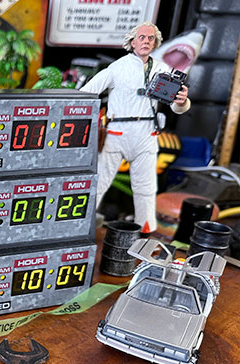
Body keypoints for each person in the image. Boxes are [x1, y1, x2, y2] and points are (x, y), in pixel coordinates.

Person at [81, 21, 191, 234]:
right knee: (99, 182)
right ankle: (80, 223)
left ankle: (145, 230)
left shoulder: (163, 69)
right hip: (117, 132)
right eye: (142, 37)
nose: (146, 41)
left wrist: (182, 101)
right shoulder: (118, 67)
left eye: (151, 38)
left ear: (155, 42)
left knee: (146, 187)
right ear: (132, 42)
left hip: (146, 133)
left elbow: (177, 107)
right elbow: (87, 92)